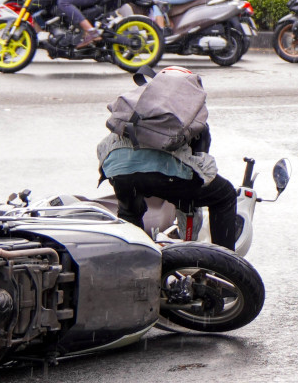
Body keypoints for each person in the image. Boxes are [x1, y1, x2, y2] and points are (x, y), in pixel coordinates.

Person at [97, 65, 239, 247]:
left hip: (116, 166)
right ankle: (226, 264)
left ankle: (137, 262)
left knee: (130, 211)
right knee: (224, 195)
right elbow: (200, 161)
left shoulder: (142, 96)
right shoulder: (188, 108)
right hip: (164, 173)